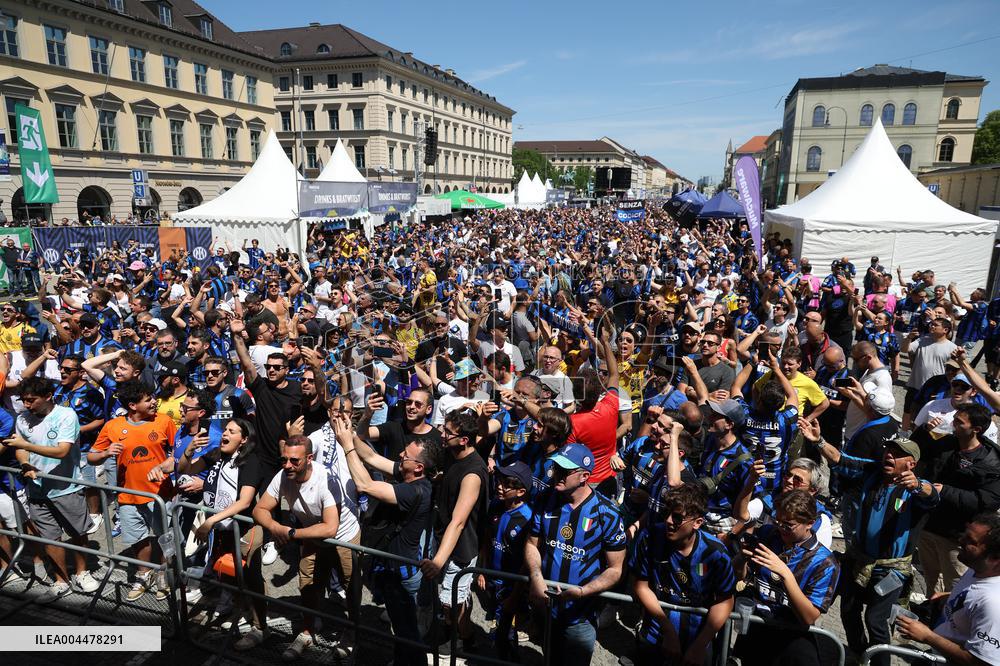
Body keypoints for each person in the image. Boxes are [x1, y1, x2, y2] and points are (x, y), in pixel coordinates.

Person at [808, 425, 939, 666]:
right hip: (858, 559)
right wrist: (818, 441)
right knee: (848, 609)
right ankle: (860, 654)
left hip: (891, 570)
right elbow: (840, 459)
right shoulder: (871, 472)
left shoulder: (915, 491)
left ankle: (881, 662)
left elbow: (932, 496)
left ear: (911, 463)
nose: (888, 454)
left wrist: (919, 486)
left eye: (897, 453)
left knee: (876, 619)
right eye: (888, 450)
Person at [338, 425, 441, 666]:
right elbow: (372, 457)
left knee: (406, 631)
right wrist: (349, 432)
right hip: (391, 568)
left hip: (399, 573)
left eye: (406, 455)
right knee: (401, 627)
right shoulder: (409, 475)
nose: (400, 456)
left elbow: (365, 485)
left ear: (419, 467)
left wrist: (347, 447)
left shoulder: (414, 490)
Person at [525, 442, 626, 664]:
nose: (556, 474)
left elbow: (616, 569)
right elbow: (532, 544)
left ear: (584, 476)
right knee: (549, 658)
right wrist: (535, 577)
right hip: (545, 605)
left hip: (581, 614)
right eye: (556, 468)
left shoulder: (606, 513)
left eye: (565, 471)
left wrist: (582, 592)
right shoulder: (544, 499)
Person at [3, 377, 99, 601]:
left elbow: (61, 451)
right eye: (24, 400)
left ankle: (82, 572)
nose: (27, 405)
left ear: (48, 396)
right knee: (49, 537)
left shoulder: (66, 416)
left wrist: (24, 446)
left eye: (31, 400)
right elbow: (20, 450)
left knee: (77, 533)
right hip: (37, 491)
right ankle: (60, 580)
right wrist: (25, 462)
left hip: (66, 487)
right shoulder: (23, 418)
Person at [252, 434, 340, 661]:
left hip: (343, 535)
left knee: (350, 588)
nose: (287, 465)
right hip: (310, 532)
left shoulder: (325, 478)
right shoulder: (283, 475)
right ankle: (308, 630)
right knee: (307, 582)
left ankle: (353, 638)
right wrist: (275, 526)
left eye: (294, 461)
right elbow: (259, 509)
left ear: (309, 458)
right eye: (284, 460)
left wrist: (291, 533)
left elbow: (330, 528)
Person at [89, 380, 177, 601]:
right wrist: (106, 453)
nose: (154, 402)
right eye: (148, 400)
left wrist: (167, 466)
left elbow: (179, 453)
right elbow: (92, 457)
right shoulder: (113, 426)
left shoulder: (164, 421)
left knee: (164, 537)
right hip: (127, 495)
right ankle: (143, 575)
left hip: (160, 494)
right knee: (138, 539)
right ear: (132, 405)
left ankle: (164, 574)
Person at [631, 483, 735, 666]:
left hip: (697, 641)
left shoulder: (715, 554)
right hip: (655, 634)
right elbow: (641, 585)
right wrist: (669, 632)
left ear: (698, 523)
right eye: (666, 513)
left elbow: (725, 600)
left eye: (678, 517)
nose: (669, 521)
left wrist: (700, 645)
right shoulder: (650, 537)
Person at [733, 490, 841, 666]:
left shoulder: (825, 562)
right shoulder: (768, 534)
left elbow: (808, 617)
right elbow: (741, 576)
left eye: (788, 525)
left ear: (810, 523)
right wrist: (741, 559)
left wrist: (785, 574)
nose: (781, 528)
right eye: (778, 521)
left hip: (793, 638)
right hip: (757, 627)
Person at [420, 409, 488, 652]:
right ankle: (457, 630)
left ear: (464, 440)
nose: (442, 434)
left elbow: (458, 522)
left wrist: (438, 561)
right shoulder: (453, 454)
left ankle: (464, 641)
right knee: (451, 601)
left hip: (461, 548)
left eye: (448, 432)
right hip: (447, 541)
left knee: (453, 603)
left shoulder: (472, 474)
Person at [896, 512, 1000, 666]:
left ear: (994, 559)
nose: (960, 540)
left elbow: (981, 662)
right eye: (965, 534)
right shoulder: (978, 568)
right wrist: (950, 595)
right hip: (939, 652)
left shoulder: (993, 604)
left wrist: (927, 637)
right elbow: (977, 592)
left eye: (971, 541)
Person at [918, 403, 1000, 595]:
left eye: (959, 422)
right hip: (928, 527)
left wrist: (944, 490)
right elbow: (916, 452)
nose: (953, 424)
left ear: (976, 429)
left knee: (955, 589)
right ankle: (931, 616)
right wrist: (924, 431)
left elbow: (985, 502)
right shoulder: (946, 444)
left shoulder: (991, 463)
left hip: (956, 539)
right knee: (931, 582)